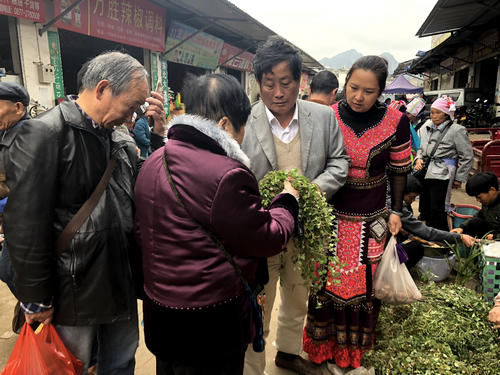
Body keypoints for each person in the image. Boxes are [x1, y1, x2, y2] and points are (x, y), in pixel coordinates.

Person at [4, 51, 167, 375]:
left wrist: (160, 132)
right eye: (131, 106)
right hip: (72, 287)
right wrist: (36, 298)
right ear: (103, 88)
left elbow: (153, 181)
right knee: (70, 366)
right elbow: (24, 223)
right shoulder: (45, 134)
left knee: (121, 361)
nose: (132, 116)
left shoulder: (118, 138)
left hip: (119, 277)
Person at [135, 73, 300, 375]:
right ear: (224, 124)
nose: (243, 134)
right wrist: (288, 201)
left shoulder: (154, 160)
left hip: (162, 315)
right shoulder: (227, 175)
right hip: (209, 326)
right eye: (243, 125)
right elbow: (267, 237)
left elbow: (141, 233)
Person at [242, 35, 350, 375]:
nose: (278, 92)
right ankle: (252, 367)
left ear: (299, 81)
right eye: (269, 83)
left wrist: (312, 190)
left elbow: (339, 163)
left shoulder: (323, 117)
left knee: (297, 294)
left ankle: (287, 354)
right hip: (261, 229)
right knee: (259, 301)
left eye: (285, 83)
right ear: (258, 83)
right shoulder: (245, 120)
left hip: (307, 233)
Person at [303, 55, 412, 374]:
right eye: (353, 88)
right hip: (331, 216)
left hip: (373, 219)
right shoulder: (328, 115)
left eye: (368, 91)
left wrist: (396, 210)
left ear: (381, 92)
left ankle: (353, 348)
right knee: (325, 281)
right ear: (344, 84)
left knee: (365, 284)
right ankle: (322, 345)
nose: (358, 97)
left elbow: (399, 170)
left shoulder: (396, 120)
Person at [390, 175, 475, 269]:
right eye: (411, 197)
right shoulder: (395, 205)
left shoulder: (386, 195)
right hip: (381, 252)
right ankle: (395, 272)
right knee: (416, 248)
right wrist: (459, 237)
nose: (413, 200)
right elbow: (427, 232)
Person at [415, 96, 473, 230]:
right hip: (426, 170)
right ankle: (428, 234)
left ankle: (442, 238)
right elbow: (421, 148)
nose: (434, 116)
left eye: (438, 112)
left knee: (438, 208)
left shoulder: (457, 130)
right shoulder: (427, 126)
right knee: (426, 206)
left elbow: (467, 156)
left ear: (447, 115)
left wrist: (459, 178)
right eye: (432, 112)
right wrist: (418, 158)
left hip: (443, 173)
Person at [0, 82, 31, 298]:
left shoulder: (27, 138)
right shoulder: (6, 133)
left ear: (18, 108)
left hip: (24, 222)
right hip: (13, 220)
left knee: (9, 270)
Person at [451, 172, 500, 240]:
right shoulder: (488, 203)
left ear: (492, 190)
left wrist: (495, 237)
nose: (477, 200)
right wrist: (462, 228)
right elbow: (479, 215)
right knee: (475, 222)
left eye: (479, 197)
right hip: (490, 234)